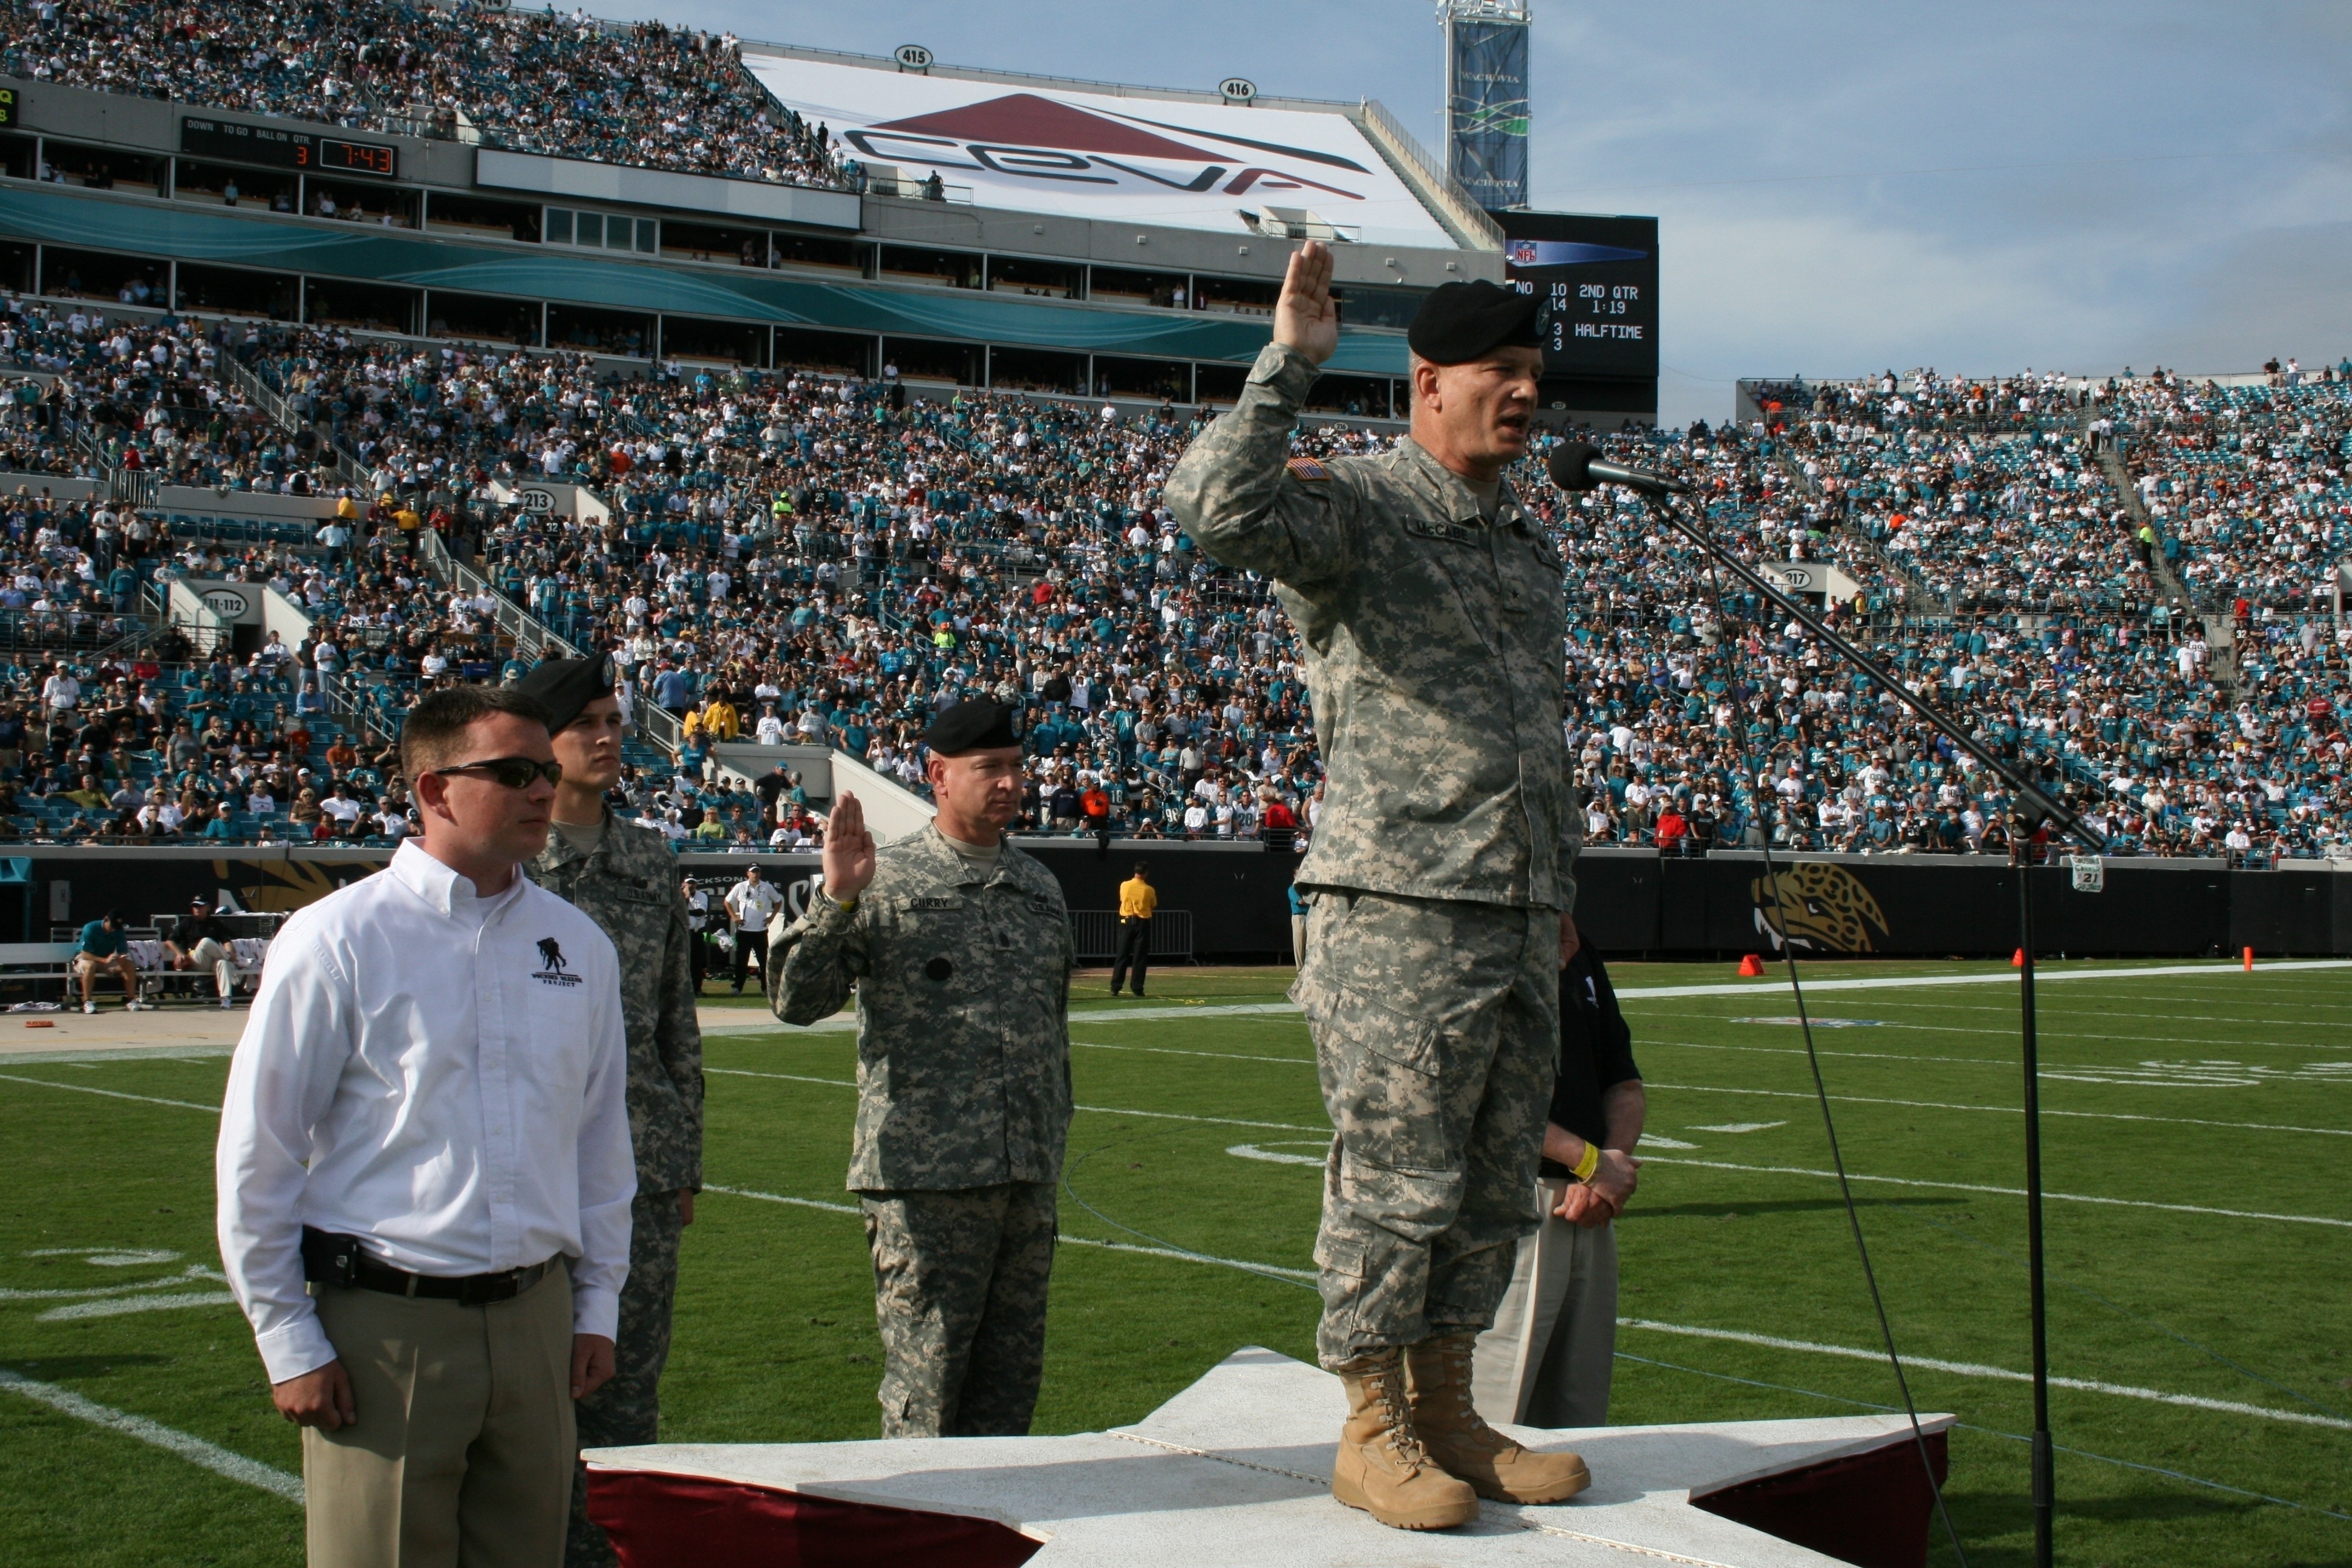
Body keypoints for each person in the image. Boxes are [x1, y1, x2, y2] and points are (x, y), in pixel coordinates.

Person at [1167, 250, 1586, 1530]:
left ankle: (1450, 1404)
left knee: (1493, 1172)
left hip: (1514, 905)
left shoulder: (1527, 540)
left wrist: (1552, 884)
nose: (1521, 395)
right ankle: (1371, 1423)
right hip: (1400, 902)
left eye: (1530, 375)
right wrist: (1291, 360)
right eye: (1496, 375)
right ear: (1426, 387)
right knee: (1399, 1176)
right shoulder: (1361, 507)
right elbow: (1211, 511)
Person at [215, 684, 634, 1568]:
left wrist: (596, 1304)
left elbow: (600, 1143)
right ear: (435, 790)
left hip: (538, 1327)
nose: (542, 790)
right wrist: (288, 1337)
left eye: (545, 771)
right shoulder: (338, 938)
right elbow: (261, 1150)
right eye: (515, 772)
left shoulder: (578, 944)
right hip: (387, 1328)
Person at [768, 697, 1074, 1438]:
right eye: (988, 769)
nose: (1008, 783)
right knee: (927, 1393)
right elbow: (796, 1001)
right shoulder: (883, 877)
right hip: (924, 1179)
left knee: (1009, 1393)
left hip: (1025, 1174)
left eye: (1014, 768)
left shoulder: (1038, 889)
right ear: (938, 775)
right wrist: (838, 898)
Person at [516, 658, 705, 1568]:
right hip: (527, 1164)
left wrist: (685, 1158)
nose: (605, 737)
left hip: (641, 1162)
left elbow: (678, 1022)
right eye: (584, 723)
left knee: (627, 1391)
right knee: (527, 1393)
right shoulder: (507, 862)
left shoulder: (645, 858)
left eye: (613, 721)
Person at [1471, 924, 1644, 1429]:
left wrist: (1608, 1162)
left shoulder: (1577, 943)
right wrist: (1590, 1162)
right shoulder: (1479, 935)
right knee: (1492, 1415)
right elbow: (1470, 1087)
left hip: (1589, 1208)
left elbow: (1624, 1080)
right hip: (1512, 1201)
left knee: (1579, 1416)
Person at [164, 894, 240, 1008]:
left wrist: (231, 951)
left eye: (200, 906)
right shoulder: (187, 922)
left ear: (208, 907)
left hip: (213, 961)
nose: (197, 909)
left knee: (224, 963)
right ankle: (235, 961)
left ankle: (226, 999)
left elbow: (226, 941)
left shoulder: (215, 923)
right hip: (196, 961)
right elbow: (170, 941)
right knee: (205, 942)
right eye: (195, 906)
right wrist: (179, 953)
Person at [723, 864, 784, 995]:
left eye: (757, 872)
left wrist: (771, 918)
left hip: (760, 930)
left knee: (763, 961)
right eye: (753, 872)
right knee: (741, 961)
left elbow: (778, 901)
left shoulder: (767, 887)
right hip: (744, 930)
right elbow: (727, 901)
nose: (755, 874)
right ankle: (737, 988)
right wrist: (734, 917)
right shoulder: (741, 887)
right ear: (748, 874)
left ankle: (765, 988)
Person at [74, 909, 146, 1014]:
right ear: (106, 919)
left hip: (106, 961)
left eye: (116, 927)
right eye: (112, 926)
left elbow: (122, 951)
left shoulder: (119, 930)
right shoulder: (90, 928)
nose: (113, 929)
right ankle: (87, 1002)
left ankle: (131, 1000)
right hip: (85, 958)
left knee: (130, 965)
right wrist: (104, 960)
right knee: (91, 965)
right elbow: (85, 954)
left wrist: (121, 958)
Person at [1109, 861, 1155, 998]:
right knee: (1140, 956)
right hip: (1142, 922)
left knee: (1122, 954)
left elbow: (1122, 899)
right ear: (1146, 873)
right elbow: (1153, 904)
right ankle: (1137, 987)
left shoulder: (1124, 885)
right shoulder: (1149, 890)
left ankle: (1115, 987)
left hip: (1126, 920)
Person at [681, 875, 712, 991]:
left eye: (693, 883)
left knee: (696, 961)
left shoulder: (702, 896)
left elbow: (701, 912)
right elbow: (679, 907)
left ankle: (697, 988)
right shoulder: (680, 894)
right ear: (684, 884)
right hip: (683, 931)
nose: (691, 885)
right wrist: (686, 895)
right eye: (689, 883)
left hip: (696, 932)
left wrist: (686, 911)